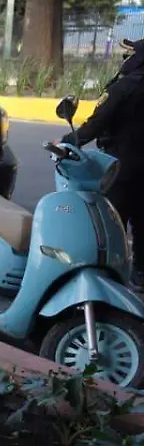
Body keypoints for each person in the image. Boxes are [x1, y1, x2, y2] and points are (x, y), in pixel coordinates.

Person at [57, 37, 144, 291]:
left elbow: (97, 123)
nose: (125, 59)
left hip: (120, 165)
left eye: (130, 54)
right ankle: (140, 273)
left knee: (112, 221)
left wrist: (67, 142)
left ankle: (110, 277)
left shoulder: (123, 87)